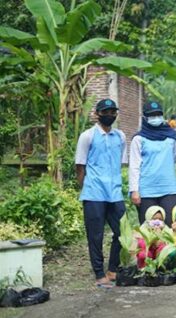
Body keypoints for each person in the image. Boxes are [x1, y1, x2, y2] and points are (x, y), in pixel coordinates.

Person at [75, 98, 127, 288]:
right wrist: (85, 188)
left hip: (115, 193)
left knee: (121, 232)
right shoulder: (87, 136)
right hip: (94, 193)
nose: (110, 115)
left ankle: (113, 269)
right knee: (95, 236)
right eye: (105, 112)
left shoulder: (120, 137)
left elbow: (121, 162)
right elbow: (80, 166)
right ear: (97, 114)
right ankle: (99, 273)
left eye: (113, 112)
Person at [129, 101, 176, 226]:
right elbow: (134, 166)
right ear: (145, 118)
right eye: (152, 115)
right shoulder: (138, 139)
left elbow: (174, 158)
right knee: (149, 228)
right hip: (146, 190)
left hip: (169, 189)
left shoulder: (172, 137)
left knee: (170, 227)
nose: (156, 118)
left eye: (158, 115)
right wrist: (134, 190)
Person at [136, 206, 176, 270]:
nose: (157, 221)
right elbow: (141, 244)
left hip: (159, 254)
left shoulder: (165, 229)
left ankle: (161, 269)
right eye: (154, 219)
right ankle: (144, 270)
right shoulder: (143, 229)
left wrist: (160, 236)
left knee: (164, 249)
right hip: (148, 252)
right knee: (143, 254)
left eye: (160, 219)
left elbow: (171, 242)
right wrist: (152, 240)